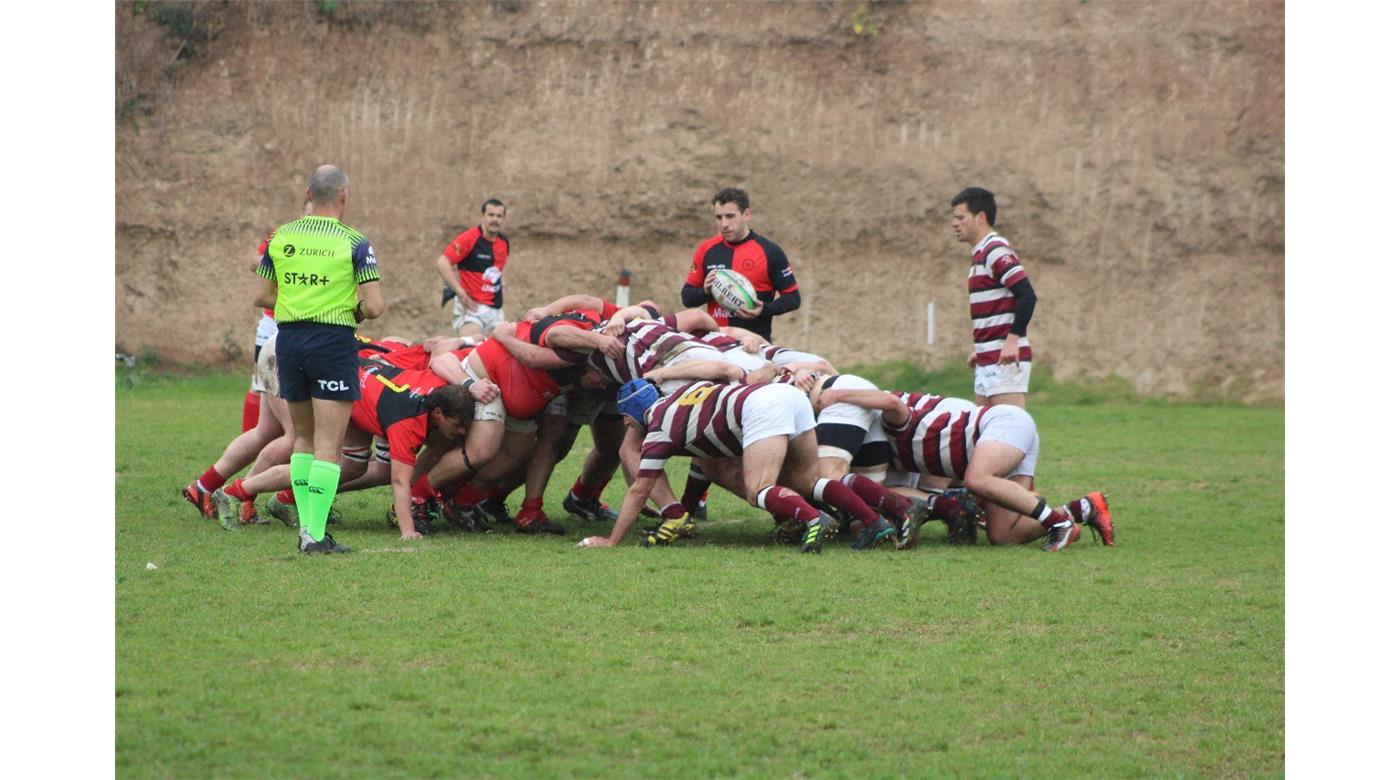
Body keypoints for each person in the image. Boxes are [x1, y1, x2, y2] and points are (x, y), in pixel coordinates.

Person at [580, 373, 914, 553]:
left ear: (634, 411)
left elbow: (640, 489)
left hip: (760, 407)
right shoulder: (683, 395)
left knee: (758, 489)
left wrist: (612, 540)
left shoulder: (659, 429)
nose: (626, 425)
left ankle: (815, 519)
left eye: (625, 417)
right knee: (809, 481)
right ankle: (875, 521)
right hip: (787, 395)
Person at [254, 164, 383, 554]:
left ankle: (308, 531)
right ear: (344, 195)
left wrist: (299, 302)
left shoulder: (280, 237)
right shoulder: (355, 242)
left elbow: (262, 296)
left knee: (303, 439)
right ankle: (313, 533)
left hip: (288, 341)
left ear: (308, 193)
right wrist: (352, 310)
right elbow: (375, 307)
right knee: (330, 444)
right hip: (331, 342)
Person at [815, 387, 1114, 551]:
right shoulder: (890, 458)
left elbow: (890, 400)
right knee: (1003, 533)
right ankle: (1082, 509)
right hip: (999, 436)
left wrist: (838, 395)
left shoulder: (896, 422)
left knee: (977, 479)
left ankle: (1058, 525)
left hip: (1002, 425)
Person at [950, 187, 1039, 409]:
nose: (954, 223)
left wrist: (1012, 341)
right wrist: (981, 348)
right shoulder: (980, 254)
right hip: (987, 358)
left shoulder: (995, 251)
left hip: (1004, 360)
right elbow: (996, 309)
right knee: (982, 427)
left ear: (980, 217)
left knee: (1010, 427)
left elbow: (1027, 295)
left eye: (960, 217)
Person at [681, 187, 800, 343]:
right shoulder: (706, 250)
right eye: (719, 217)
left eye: (730, 216)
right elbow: (687, 298)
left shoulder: (770, 252)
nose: (724, 224)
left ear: (746, 215)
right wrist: (705, 291)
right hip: (715, 345)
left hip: (754, 345)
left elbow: (793, 298)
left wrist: (764, 309)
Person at [435, 198, 509, 339]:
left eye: (499, 216)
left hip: (495, 309)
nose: (495, 219)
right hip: (472, 308)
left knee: (502, 346)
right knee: (470, 345)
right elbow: (442, 263)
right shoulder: (469, 238)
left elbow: (499, 268)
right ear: (483, 217)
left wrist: (504, 285)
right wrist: (461, 294)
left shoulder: (504, 242)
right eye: (491, 215)